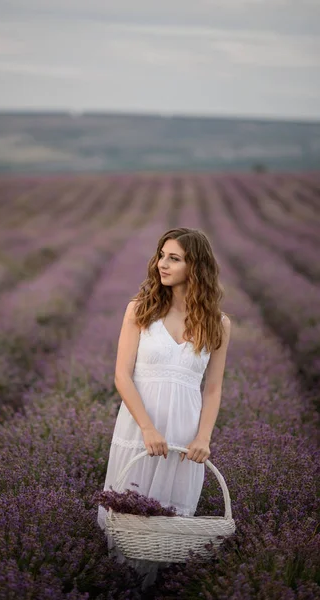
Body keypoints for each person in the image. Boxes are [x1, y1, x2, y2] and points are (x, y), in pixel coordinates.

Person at [97, 227, 231, 589]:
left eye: (174, 258)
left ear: (196, 266)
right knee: (129, 515)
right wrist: (147, 428)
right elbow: (122, 376)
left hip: (185, 435)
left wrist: (203, 437)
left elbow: (214, 388)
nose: (162, 264)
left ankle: (158, 588)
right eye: (161, 255)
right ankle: (121, 587)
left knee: (168, 522)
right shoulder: (140, 310)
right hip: (141, 426)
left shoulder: (217, 323)